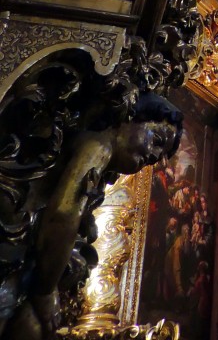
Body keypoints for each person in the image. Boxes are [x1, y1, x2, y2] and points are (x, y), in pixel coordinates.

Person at [5, 95, 183, 340]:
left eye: (157, 156)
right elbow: (63, 215)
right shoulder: (100, 146)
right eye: (156, 140)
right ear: (131, 118)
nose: (152, 156)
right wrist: (45, 292)